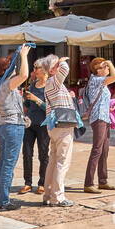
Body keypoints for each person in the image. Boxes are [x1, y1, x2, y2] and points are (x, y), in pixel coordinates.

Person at [0, 45, 31, 211]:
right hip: (13, 126)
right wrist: (23, 56)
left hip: (3, 127)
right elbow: (25, 75)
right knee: (9, 164)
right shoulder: (8, 83)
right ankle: (4, 201)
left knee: (2, 162)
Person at [40, 55, 79, 207]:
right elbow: (66, 68)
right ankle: (58, 197)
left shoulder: (51, 83)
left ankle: (48, 194)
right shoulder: (54, 80)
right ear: (51, 69)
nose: (59, 66)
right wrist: (62, 61)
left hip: (54, 126)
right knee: (63, 161)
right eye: (56, 65)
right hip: (63, 126)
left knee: (53, 160)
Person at [82, 56, 115, 194]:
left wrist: (108, 109)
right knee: (97, 149)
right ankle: (88, 183)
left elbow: (99, 99)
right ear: (98, 70)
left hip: (104, 116)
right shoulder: (97, 80)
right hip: (98, 118)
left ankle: (103, 180)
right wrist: (109, 62)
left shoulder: (100, 82)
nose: (108, 69)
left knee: (104, 150)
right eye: (106, 67)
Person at [20, 57, 51, 195]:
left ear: (44, 71)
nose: (34, 71)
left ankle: (42, 183)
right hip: (30, 123)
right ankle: (27, 183)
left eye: (36, 68)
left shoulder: (50, 86)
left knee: (43, 154)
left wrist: (37, 100)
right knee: (27, 153)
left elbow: (51, 108)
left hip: (43, 124)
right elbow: (28, 105)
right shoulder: (32, 84)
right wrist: (24, 99)